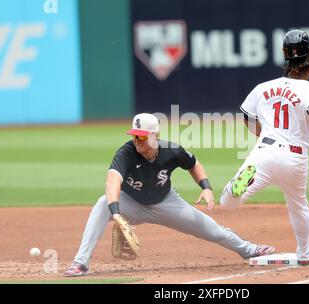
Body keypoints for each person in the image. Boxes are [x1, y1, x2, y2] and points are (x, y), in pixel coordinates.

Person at [64, 113, 275, 277]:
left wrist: (206, 187)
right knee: (103, 204)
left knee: (211, 230)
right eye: (134, 136)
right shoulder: (126, 153)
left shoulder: (171, 150)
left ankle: (249, 250)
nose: (137, 140)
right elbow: (112, 181)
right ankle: (80, 263)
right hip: (132, 203)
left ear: (155, 136)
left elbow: (194, 164)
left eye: (142, 137)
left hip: (166, 202)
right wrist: (116, 212)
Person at [220, 29, 309, 266]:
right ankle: (303, 253)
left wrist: (262, 133)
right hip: (295, 159)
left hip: (265, 153)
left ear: (286, 60)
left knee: (228, 203)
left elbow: (247, 117)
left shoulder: (263, 87)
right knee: (298, 205)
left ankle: (235, 188)